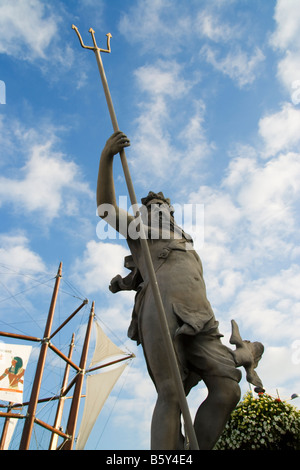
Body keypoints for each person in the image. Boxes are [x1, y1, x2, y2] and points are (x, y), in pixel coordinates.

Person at [97, 131, 259, 450]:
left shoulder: (186, 241)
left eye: (165, 206)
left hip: (201, 315)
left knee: (228, 386)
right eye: (153, 205)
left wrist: (127, 282)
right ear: (143, 213)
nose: (160, 209)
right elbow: (104, 208)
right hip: (163, 307)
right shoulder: (140, 232)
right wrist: (107, 156)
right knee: (171, 391)